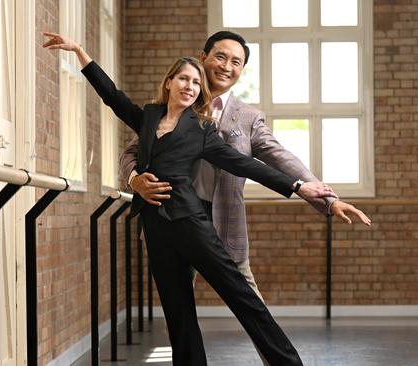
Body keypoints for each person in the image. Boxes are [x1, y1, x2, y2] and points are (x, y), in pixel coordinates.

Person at [43, 32, 338, 366]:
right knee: (178, 313)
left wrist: (299, 186)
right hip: (155, 227)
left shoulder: (202, 130)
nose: (189, 86)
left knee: (242, 298)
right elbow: (113, 97)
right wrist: (81, 53)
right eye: (183, 78)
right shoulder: (149, 118)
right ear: (169, 82)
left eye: (196, 83)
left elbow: (246, 164)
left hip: (191, 223)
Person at [119, 31, 371, 364]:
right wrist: (134, 180)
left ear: (241, 70)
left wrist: (323, 196)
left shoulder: (248, 117)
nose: (226, 66)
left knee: (251, 307)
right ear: (204, 56)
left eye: (236, 62)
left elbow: (278, 158)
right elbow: (133, 152)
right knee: (178, 314)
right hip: (170, 219)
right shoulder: (175, 101)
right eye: (220, 56)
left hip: (223, 223)